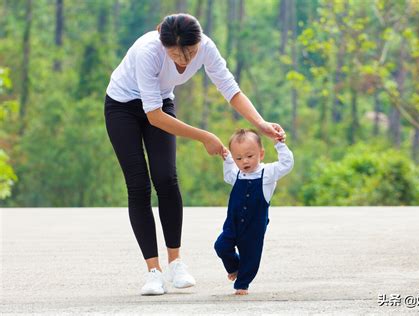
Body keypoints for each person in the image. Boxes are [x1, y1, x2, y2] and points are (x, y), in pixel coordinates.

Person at [104, 13, 286, 296]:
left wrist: (260, 124)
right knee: (138, 185)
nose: (184, 60)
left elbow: (230, 89)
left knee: (166, 178)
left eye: (190, 52)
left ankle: (175, 262)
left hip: (161, 102)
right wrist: (205, 137)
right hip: (122, 107)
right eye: (176, 54)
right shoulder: (148, 51)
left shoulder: (207, 48)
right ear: (163, 42)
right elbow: (153, 116)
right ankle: (153, 271)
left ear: (199, 42)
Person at [214, 129, 293, 295]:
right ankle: (235, 267)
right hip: (233, 224)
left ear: (261, 154)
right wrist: (228, 160)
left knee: (251, 255)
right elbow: (228, 174)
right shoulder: (236, 174)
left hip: (254, 225)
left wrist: (279, 145)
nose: (245, 162)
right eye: (239, 158)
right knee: (221, 246)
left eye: (250, 156)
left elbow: (286, 164)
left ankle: (242, 284)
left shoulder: (268, 174)